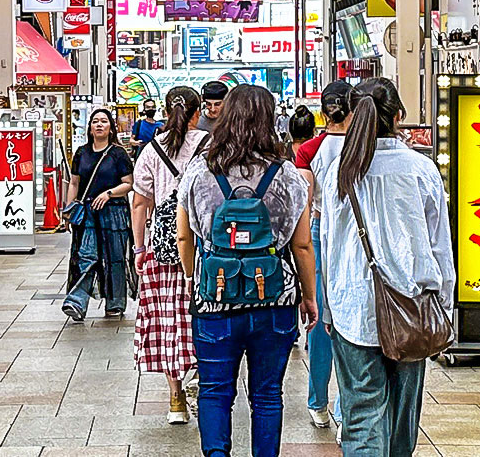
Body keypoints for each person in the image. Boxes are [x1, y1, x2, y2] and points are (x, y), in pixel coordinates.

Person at [311, 78, 453, 456]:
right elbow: (440, 246)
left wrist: (328, 304)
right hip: (414, 305)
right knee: (403, 418)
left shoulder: (339, 170)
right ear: (399, 117)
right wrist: (446, 304)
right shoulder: (420, 169)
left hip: (351, 309)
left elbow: (329, 243)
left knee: (361, 415)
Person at [176, 85, 315, 457]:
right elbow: (301, 244)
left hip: (215, 299)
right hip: (274, 297)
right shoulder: (287, 175)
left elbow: (184, 237)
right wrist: (310, 296)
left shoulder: (200, 171)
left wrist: (194, 277)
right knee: (268, 394)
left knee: (214, 390)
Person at [132, 87, 209, 425]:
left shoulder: (151, 149)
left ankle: (175, 397)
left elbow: (139, 202)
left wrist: (139, 248)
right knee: (202, 318)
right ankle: (201, 378)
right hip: (204, 247)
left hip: (162, 249)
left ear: (164, 111)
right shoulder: (210, 145)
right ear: (197, 112)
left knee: (168, 322)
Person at [289, 79, 353, 428]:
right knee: (351, 320)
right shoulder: (365, 147)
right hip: (356, 235)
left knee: (320, 318)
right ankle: (345, 407)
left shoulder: (309, 150)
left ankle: (318, 402)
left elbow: (303, 202)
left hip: (317, 230)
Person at [64, 108, 134, 321]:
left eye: (104, 121)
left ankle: (115, 303)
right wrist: (69, 210)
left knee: (115, 259)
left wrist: (109, 194)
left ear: (111, 127)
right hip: (88, 213)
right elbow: (74, 183)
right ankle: (76, 302)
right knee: (86, 257)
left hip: (114, 213)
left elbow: (129, 183)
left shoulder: (118, 154)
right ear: (90, 127)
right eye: (95, 121)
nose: (99, 125)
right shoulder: (82, 153)